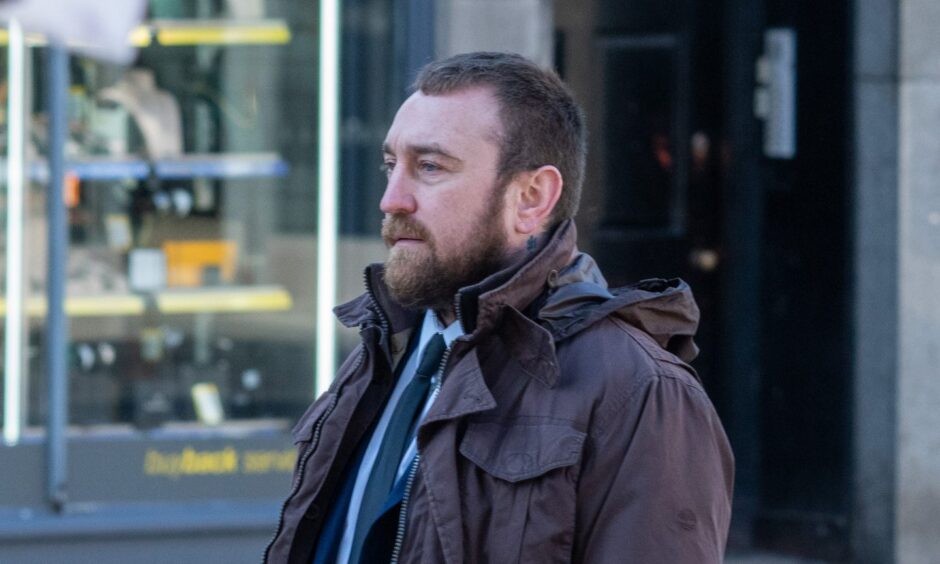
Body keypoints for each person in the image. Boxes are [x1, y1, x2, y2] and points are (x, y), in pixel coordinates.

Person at [265, 51, 734, 564]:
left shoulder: (637, 390)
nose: (392, 199)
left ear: (531, 198)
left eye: (429, 167)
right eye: (390, 166)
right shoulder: (385, 349)